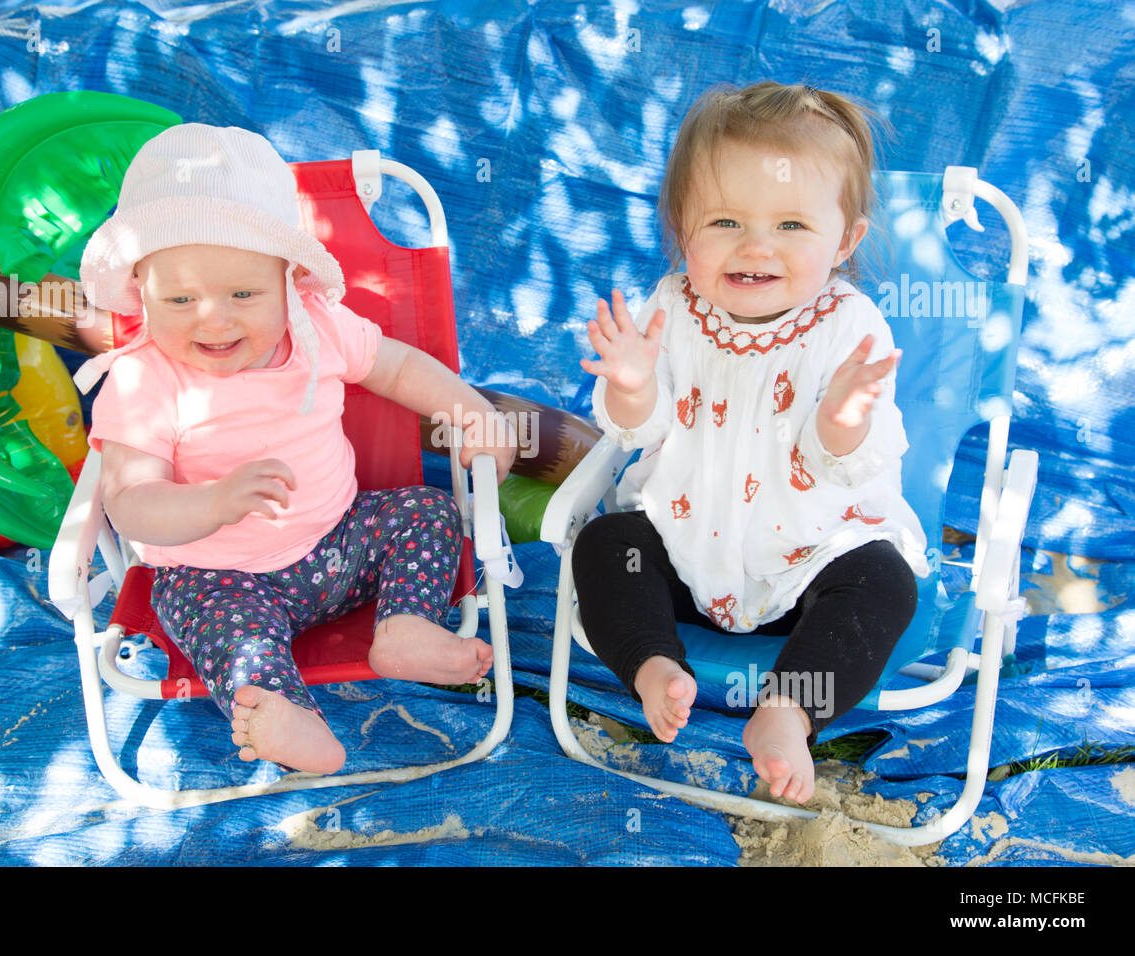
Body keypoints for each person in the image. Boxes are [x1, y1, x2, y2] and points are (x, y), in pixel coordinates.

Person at [76, 123, 515, 775]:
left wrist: (470, 412)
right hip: (214, 576)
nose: (214, 318)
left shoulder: (317, 326)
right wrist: (214, 501)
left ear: (289, 280)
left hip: (335, 544)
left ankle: (403, 627)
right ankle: (287, 718)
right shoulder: (144, 378)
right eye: (180, 299)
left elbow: (397, 369)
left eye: (244, 294)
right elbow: (133, 504)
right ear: (141, 291)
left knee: (426, 512)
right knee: (237, 640)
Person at [573, 82, 928, 803]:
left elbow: (846, 458)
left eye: (792, 225)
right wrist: (633, 384)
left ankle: (787, 710)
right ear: (681, 227)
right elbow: (639, 429)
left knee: (884, 583)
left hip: (808, 562)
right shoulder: (673, 306)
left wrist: (843, 414)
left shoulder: (849, 327)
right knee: (608, 542)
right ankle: (653, 667)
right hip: (683, 546)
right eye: (726, 220)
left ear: (847, 239)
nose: (757, 246)